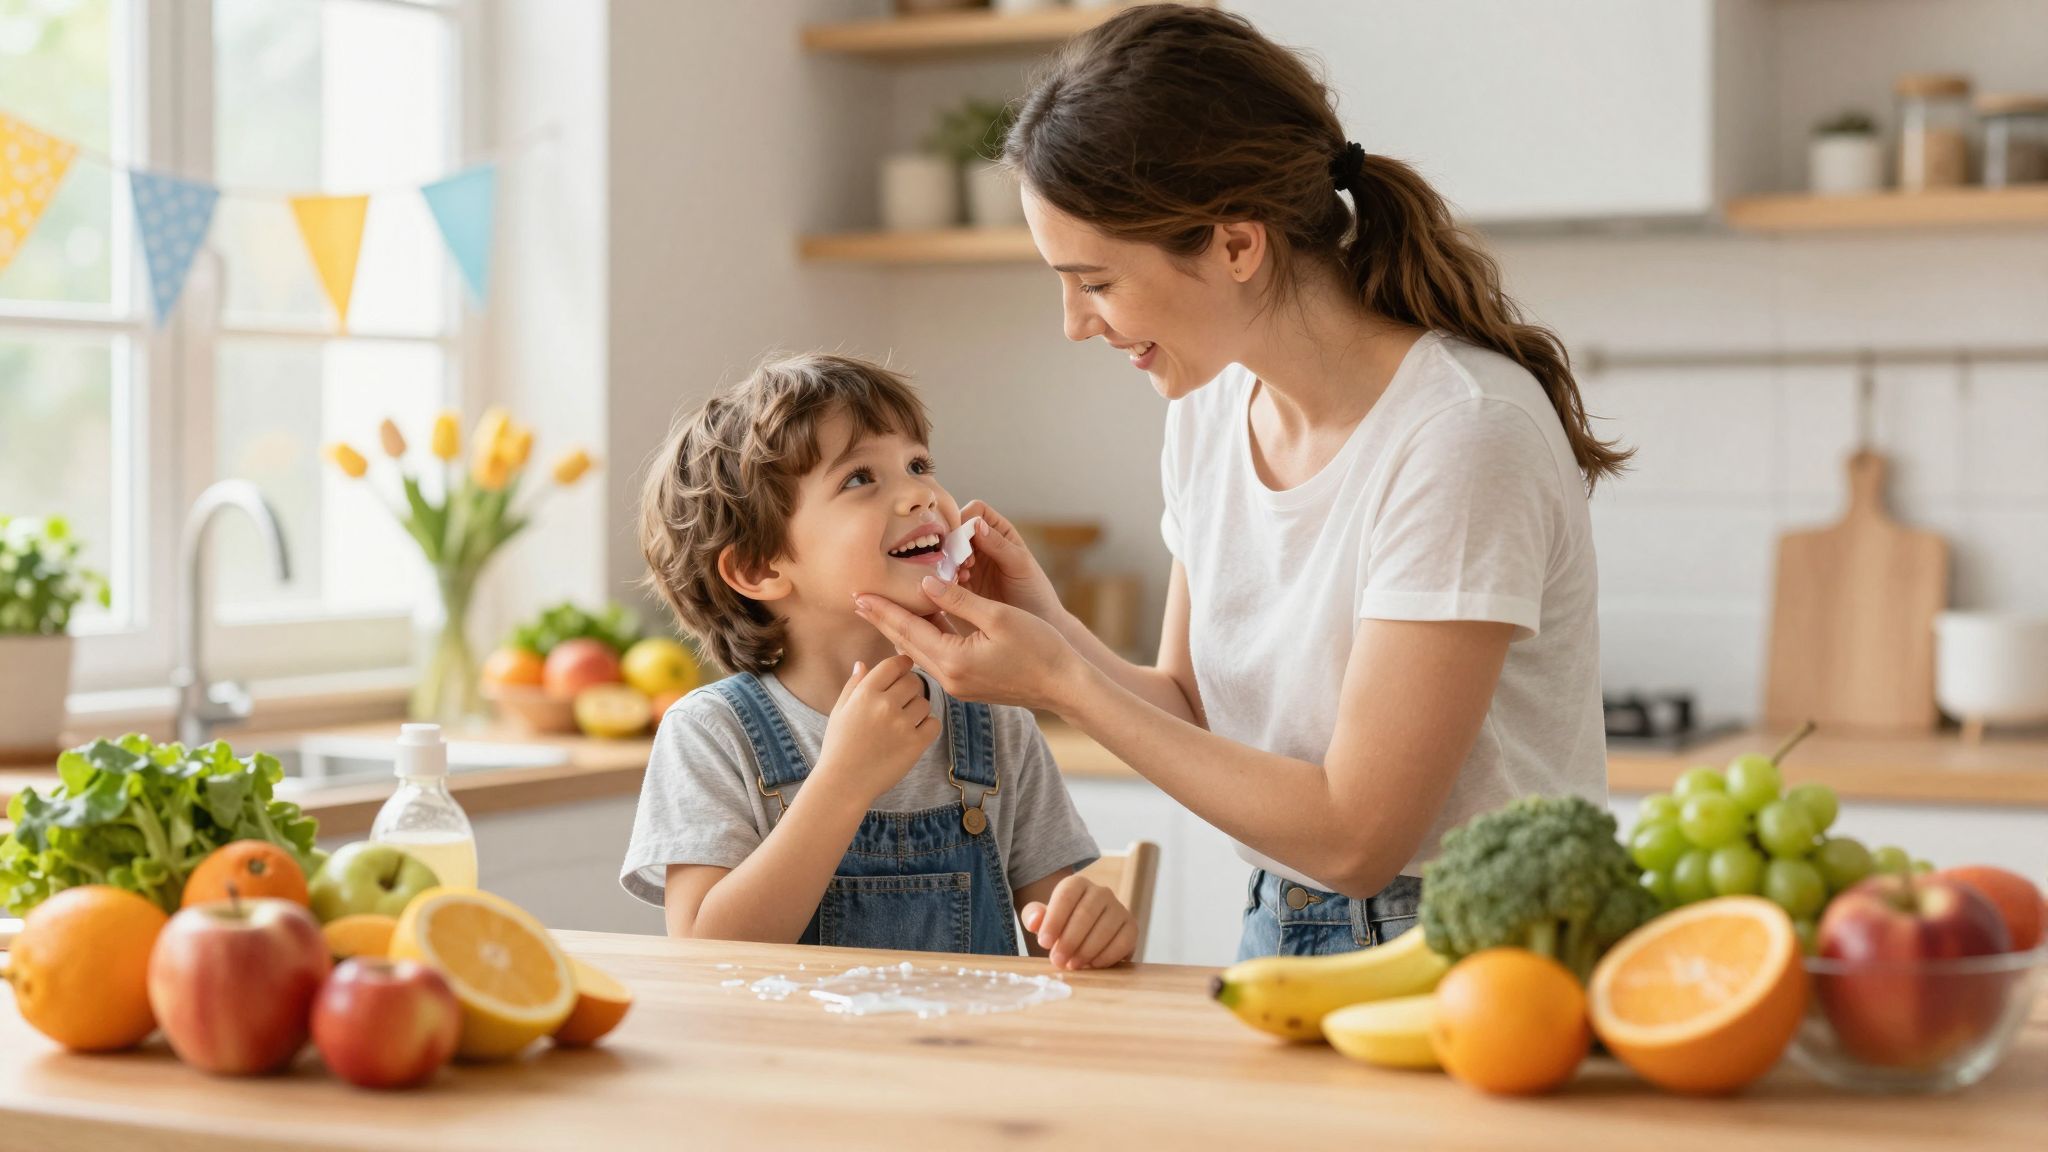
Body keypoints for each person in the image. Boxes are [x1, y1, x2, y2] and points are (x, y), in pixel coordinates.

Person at [852, 5, 1626, 960]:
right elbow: (1188, 707)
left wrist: (1059, 682)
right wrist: (1048, 626)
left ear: (1236, 246)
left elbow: (1358, 840)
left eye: (1096, 282)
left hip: (1468, 948)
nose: (1076, 324)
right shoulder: (1212, 408)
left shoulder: (1461, 432)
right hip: (1279, 919)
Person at [620, 352, 1137, 970]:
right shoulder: (711, 733)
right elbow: (706, 955)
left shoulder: (998, 722)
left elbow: (1056, 946)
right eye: (860, 478)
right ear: (759, 569)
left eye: (918, 465)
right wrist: (842, 783)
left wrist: (1088, 928)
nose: (920, 494)